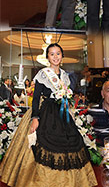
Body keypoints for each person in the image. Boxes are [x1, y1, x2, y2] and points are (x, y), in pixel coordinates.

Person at [0, 43, 97, 187]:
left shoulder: (65, 76)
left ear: (62, 56)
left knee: (70, 144)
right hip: (45, 112)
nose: (55, 56)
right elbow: (37, 97)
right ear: (47, 58)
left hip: (62, 114)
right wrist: (35, 118)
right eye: (52, 54)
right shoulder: (43, 74)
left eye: (58, 53)